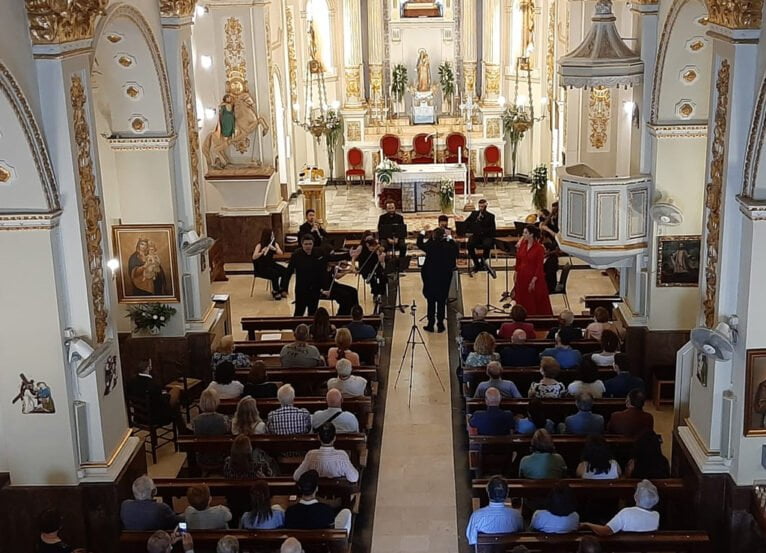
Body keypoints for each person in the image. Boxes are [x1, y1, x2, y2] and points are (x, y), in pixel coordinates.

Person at [286, 234, 350, 316]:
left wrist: (348, 255)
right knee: (299, 312)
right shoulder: (296, 255)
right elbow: (288, 271)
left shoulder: (319, 252)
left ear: (313, 244)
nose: (308, 246)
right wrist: (284, 288)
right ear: (302, 244)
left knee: (312, 312)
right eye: (306, 244)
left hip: (314, 289)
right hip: (301, 289)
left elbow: (331, 258)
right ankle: (297, 328)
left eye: (310, 244)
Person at [125, 359, 191, 434]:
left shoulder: (130, 383)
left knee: (174, 403)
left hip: (139, 417)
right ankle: (183, 431)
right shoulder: (153, 385)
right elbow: (163, 403)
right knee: (176, 394)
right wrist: (165, 394)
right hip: (155, 418)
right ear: (148, 368)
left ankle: (183, 430)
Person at [580, 479, 660, 535]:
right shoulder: (656, 516)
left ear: (636, 497)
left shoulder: (626, 513)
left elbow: (606, 531)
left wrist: (587, 524)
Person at [417, 226, 458, 332]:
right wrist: (449, 237)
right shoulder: (448, 245)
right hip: (444, 277)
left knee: (431, 302)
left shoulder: (431, 244)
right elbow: (456, 251)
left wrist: (422, 232)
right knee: (441, 301)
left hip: (431, 277)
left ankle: (430, 324)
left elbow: (420, 244)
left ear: (434, 235)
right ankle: (440, 324)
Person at [284, 470, 353, 531]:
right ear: (316, 489)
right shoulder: (326, 510)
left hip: (297, 544)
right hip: (322, 545)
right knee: (346, 512)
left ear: (299, 488)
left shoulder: (289, 512)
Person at [465, 476, 524, 545]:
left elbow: (471, 539)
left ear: (488, 493)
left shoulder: (477, 516)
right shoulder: (516, 516)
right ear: (506, 494)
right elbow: (521, 534)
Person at [294, 422, 360, 482]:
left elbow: (296, 476)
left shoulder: (311, 455)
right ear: (334, 438)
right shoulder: (342, 456)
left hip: (317, 492)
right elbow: (354, 478)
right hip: (337, 493)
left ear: (318, 437)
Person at [513, 225, 553, 315]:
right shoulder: (523, 245)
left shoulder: (539, 248)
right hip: (522, 276)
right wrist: (515, 272)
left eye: (525, 233)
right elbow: (518, 260)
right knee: (522, 298)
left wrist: (533, 280)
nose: (523, 235)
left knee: (533, 299)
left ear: (531, 234)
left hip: (534, 277)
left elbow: (539, 266)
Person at [192, 388, 230, 469]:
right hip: (221, 457)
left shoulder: (195, 421)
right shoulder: (224, 419)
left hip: (202, 459)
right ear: (216, 401)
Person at [252, 228, 289, 300]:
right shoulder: (259, 245)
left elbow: (281, 253)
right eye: (271, 235)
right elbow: (254, 257)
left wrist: (274, 249)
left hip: (271, 264)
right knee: (274, 273)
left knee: (286, 271)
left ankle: (282, 288)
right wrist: (262, 252)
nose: (273, 236)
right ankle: (275, 291)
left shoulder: (274, 244)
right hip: (262, 267)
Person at [465, 198, 497, 273]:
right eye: (480, 207)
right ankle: (476, 263)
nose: (481, 208)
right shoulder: (474, 214)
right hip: (476, 235)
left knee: (487, 245)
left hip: (486, 236)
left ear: (486, 206)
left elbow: (492, 229)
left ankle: (483, 263)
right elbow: (467, 223)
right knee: (469, 245)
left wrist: (483, 230)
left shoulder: (490, 216)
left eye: (482, 207)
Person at [353, 236, 387, 304]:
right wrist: (354, 268)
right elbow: (355, 259)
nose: (373, 249)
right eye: (372, 248)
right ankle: (375, 294)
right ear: (367, 245)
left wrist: (380, 255)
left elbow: (379, 261)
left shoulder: (375, 249)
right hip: (366, 269)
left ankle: (382, 293)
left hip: (375, 267)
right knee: (373, 278)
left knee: (383, 275)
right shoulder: (361, 249)